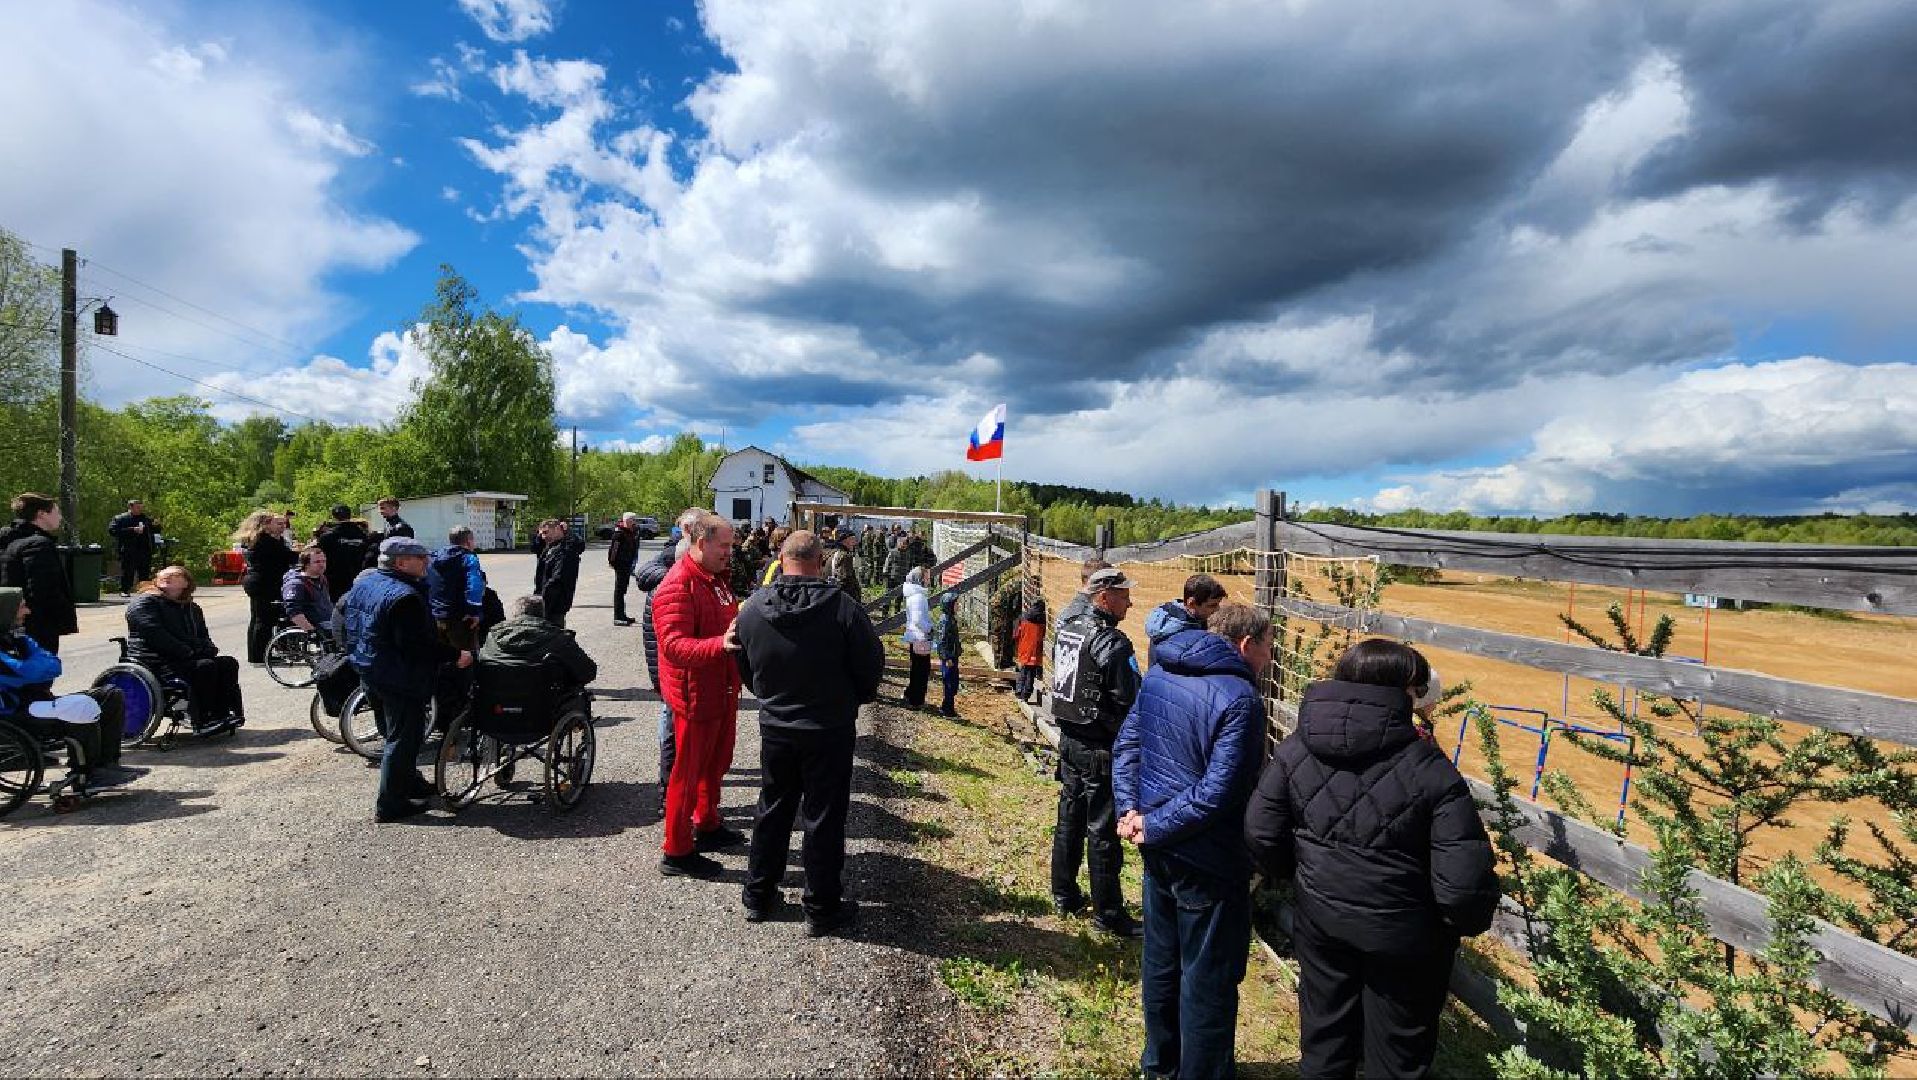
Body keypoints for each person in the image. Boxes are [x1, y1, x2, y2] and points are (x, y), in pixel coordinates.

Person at [1244, 638, 1501, 1079]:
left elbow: (1261, 830)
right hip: (1403, 936)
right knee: (1397, 1056)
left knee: (1324, 1041)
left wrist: (1300, 877)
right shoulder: (1429, 767)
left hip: (1320, 919)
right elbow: (1463, 884)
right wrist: (1455, 924)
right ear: (1404, 690)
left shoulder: (1298, 746)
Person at [1114, 602, 1272, 1079]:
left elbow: (1127, 746)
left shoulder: (1162, 671)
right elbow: (1218, 793)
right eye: (1268, 648)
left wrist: (1131, 812)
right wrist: (1148, 823)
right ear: (1246, 645)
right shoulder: (1240, 698)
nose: (1269, 658)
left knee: (1162, 961)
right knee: (1208, 978)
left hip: (1157, 848)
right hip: (1207, 859)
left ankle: (1159, 1064)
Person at [734, 530, 884, 934]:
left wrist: (769, 697)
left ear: (781, 561)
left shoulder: (752, 609)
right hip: (828, 728)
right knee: (824, 815)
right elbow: (871, 665)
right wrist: (853, 698)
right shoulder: (843, 608)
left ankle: (759, 894)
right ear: (820, 562)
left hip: (779, 726)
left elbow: (746, 665)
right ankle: (820, 906)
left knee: (773, 807)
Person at [340, 537, 473, 823]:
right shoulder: (404, 597)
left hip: (369, 669)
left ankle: (409, 783)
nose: (427, 563)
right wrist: (455, 655)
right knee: (403, 739)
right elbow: (417, 646)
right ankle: (391, 804)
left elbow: (347, 624)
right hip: (398, 676)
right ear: (401, 563)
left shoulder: (366, 583)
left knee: (393, 733)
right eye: (420, 558)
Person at [1050, 566, 1142, 937]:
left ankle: (1064, 894)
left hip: (1069, 739)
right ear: (1104, 597)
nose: (1130, 603)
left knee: (1069, 819)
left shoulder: (1068, 628)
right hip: (1100, 746)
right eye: (1123, 595)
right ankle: (1108, 914)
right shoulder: (1112, 642)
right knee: (1102, 830)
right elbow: (1129, 700)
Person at [653, 510, 744, 877]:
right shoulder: (678, 584)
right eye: (724, 546)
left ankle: (707, 823)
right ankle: (676, 850)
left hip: (720, 690)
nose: (730, 552)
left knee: (716, 765)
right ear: (701, 543)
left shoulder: (715, 579)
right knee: (687, 775)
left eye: (731, 546)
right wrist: (720, 645)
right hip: (695, 696)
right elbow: (673, 646)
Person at [0, 587, 146, 790]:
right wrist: (35, 668)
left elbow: (54, 664)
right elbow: (26, 673)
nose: (28, 612)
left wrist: (34, 668)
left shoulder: (18, 639)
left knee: (110, 695)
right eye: (22, 606)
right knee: (81, 706)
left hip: (34, 703)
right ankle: (87, 774)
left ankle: (107, 765)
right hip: (12, 714)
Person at [126, 566, 245, 734]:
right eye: (164, 575)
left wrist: (208, 648)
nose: (167, 576)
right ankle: (203, 719)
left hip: (185, 657)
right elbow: (155, 635)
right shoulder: (145, 603)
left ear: (186, 583)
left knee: (228, 663)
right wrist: (187, 652)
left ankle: (224, 713)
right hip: (154, 660)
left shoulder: (192, 608)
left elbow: (203, 635)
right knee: (204, 667)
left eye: (175, 575)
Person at [638, 512, 699, 813]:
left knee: (678, 738)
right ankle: (672, 801)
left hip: (676, 677)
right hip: (675, 678)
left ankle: (680, 801)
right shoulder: (672, 585)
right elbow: (675, 644)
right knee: (673, 735)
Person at [0, 493, 75, 655]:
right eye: (57, 512)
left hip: (7, 624)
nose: (60, 517)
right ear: (41, 514)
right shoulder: (39, 545)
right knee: (39, 675)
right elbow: (43, 590)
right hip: (36, 629)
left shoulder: (7, 540)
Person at [428, 527, 488, 726]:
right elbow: (475, 584)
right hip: (459, 619)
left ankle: (438, 712)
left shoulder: (434, 556)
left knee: (440, 662)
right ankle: (461, 715)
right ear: (469, 540)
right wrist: (474, 611)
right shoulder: (469, 558)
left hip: (436, 617)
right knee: (464, 663)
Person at [477, 594, 597, 691]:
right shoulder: (559, 637)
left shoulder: (493, 635)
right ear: (542, 614)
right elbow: (588, 672)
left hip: (497, 696)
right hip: (543, 703)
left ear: (515, 614)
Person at [236, 510, 295, 664]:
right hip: (263, 583)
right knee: (264, 620)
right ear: (264, 524)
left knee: (258, 619)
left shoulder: (260, 539)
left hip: (259, 582)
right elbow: (287, 556)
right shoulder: (264, 541)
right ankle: (261, 655)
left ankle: (257, 654)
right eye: (276, 523)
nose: (281, 527)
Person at [1144, 574, 1228, 665]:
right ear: (1191, 603)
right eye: (1212, 605)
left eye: (1218, 604)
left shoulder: (1182, 619)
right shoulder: (1174, 632)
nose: (1217, 609)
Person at [532, 519, 583, 629]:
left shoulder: (565, 550)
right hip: (546, 601)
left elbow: (557, 581)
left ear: (557, 529)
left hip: (555, 604)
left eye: (546, 533)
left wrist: (543, 603)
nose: (543, 537)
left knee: (553, 637)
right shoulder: (550, 547)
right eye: (541, 534)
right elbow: (535, 546)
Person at [316, 505, 371, 600]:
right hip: (358, 579)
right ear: (350, 516)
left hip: (334, 582)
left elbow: (318, 558)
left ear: (334, 517)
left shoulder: (327, 537)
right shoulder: (363, 535)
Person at [107, 498, 160, 595]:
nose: (140, 509)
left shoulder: (146, 519)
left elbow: (155, 531)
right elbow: (112, 531)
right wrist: (132, 530)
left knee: (144, 572)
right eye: (137, 507)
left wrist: (157, 525)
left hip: (144, 549)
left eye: (141, 507)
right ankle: (124, 590)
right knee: (127, 571)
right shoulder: (121, 518)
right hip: (128, 549)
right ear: (130, 507)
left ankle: (144, 591)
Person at [900, 566, 934, 710]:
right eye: (926, 577)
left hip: (914, 636)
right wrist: (930, 628)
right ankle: (916, 700)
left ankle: (910, 694)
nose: (928, 580)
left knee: (916, 668)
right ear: (920, 579)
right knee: (922, 670)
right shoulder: (919, 597)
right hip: (920, 637)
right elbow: (919, 620)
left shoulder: (913, 595)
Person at [280, 544, 334, 633]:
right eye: (317, 562)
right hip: (316, 627)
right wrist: (312, 631)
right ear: (306, 564)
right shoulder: (296, 584)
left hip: (329, 622)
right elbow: (294, 612)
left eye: (324, 561)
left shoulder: (322, 579)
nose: (322, 565)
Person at [609, 512, 643, 626]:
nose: (633, 522)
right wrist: (613, 563)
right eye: (632, 520)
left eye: (634, 520)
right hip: (620, 564)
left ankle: (622, 615)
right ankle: (617, 617)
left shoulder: (631, 532)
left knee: (623, 590)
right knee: (619, 591)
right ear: (626, 521)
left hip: (627, 564)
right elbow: (614, 550)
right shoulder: (619, 533)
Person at [933, 590, 961, 718]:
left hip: (953, 656)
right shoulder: (945, 621)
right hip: (949, 657)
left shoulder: (951, 619)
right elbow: (941, 641)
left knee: (953, 683)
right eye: (956, 604)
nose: (958, 606)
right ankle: (947, 710)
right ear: (949, 605)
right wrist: (947, 657)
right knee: (949, 683)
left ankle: (948, 707)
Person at [1014, 600, 1046, 703]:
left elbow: (1016, 634)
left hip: (1024, 649)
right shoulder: (1043, 621)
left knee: (1023, 671)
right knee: (1031, 674)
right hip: (1036, 651)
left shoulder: (1023, 618)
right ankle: (1026, 695)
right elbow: (1043, 636)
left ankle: (1019, 691)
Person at [822, 527, 861, 599]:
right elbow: (845, 581)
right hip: (842, 599)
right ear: (845, 541)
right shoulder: (845, 556)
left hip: (827, 594)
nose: (855, 542)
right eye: (852, 539)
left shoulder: (830, 553)